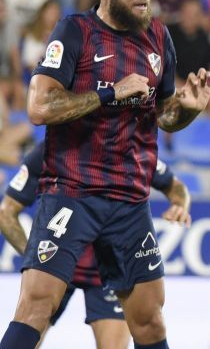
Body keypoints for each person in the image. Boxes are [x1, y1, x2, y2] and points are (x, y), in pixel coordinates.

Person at [0, 0, 210, 349]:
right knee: (36, 305)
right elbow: (38, 106)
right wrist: (108, 93)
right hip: (72, 192)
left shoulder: (158, 37)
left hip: (129, 202)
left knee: (150, 320)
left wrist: (188, 108)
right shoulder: (75, 31)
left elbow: (165, 116)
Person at [0, 143, 192, 348]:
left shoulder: (130, 149)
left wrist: (180, 205)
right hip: (59, 266)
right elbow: (6, 213)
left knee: (139, 330)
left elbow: (176, 186)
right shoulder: (51, 149)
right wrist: (38, 257)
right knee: (28, 328)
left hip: (105, 274)